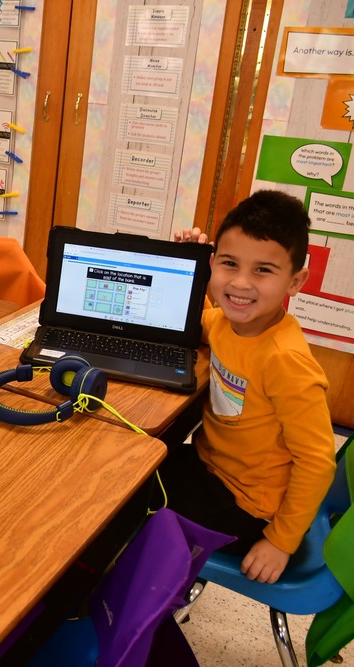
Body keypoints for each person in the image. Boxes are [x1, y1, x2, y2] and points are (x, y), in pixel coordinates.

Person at [168, 190, 336, 584]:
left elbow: (317, 462)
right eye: (229, 264)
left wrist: (280, 541)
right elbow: (199, 321)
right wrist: (188, 267)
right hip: (211, 467)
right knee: (131, 467)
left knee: (116, 509)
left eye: (263, 270)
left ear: (295, 281)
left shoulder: (285, 360)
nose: (240, 283)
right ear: (213, 264)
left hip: (247, 505)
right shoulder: (228, 321)